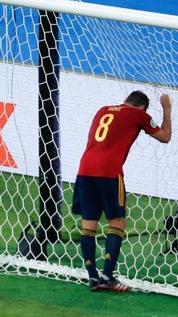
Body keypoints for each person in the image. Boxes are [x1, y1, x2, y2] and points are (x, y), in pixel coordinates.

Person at [72, 91, 172, 292]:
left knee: (88, 225)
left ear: (126, 101)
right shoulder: (138, 115)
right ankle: (107, 276)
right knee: (117, 221)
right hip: (109, 171)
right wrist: (166, 109)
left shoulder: (102, 110)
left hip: (84, 169)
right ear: (142, 107)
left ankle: (93, 277)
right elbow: (165, 137)